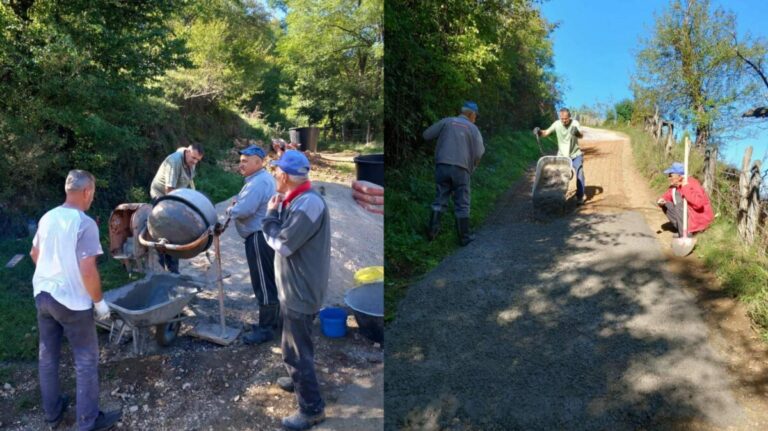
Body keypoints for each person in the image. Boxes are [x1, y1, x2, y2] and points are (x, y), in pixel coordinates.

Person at [30, 170, 122, 431]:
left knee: (47, 356)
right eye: (92, 194)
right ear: (87, 192)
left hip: (43, 295)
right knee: (85, 360)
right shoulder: (84, 223)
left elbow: (34, 253)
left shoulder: (47, 217)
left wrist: (54, 272)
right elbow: (88, 270)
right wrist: (99, 302)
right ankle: (88, 422)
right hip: (71, 303)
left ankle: (53, 413)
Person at [262, 150, 330, 430]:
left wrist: (269, 216)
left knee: (296, 351)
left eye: (276, 170)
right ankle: (297, 378)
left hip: (300, 291)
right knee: (297, 341)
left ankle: (311, 409)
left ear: (286, 176)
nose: (274, 174)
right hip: (295, 287)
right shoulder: (297, 199)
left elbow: (283, 244)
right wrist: (278, 211)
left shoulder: (308, 205)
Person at [227, 145, 280, 345]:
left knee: (263, 284)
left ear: (258, 162)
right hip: (263, 235)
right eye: (240, 160)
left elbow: (244, 210)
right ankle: (272, 323)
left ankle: (266, 329)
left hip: (259, 237)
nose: (241, 164)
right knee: (268, 280)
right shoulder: (258, 180)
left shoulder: (259, 182)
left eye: (245, 161)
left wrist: (231, 210)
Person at [422, 101, 485, 246]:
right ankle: (464, 237)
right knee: (462, 202)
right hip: (462, 169)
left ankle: (432, 233)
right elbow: (479, 153)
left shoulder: (447, 121)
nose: (476, 118)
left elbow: (426, 135)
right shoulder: (473, 129)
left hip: (442, 166)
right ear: (472, 114)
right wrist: (473, 166)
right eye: (476, 116)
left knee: (440, 198)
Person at [149, 143, 204, 273]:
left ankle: (173, 268)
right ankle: (160, 267)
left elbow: (189, 184)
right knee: (163, 228)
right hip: (161, 195)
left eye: (198, 160)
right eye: (194, 158)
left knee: (175, 231)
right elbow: (169, 189)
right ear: (188, 151)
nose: (195, 162)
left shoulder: (191, 163)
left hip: (176, 195)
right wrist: (174, 210)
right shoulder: (174, 161)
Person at [535, 108, 587, 204]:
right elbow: (546, 132)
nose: (564, 121)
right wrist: (538, 132)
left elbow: (581, 135)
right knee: (558, 176)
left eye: (566, 119)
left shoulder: (575, 123)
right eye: (562, 119)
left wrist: (576, 132)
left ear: (569, 117)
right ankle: (556, 197)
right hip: (562, 156)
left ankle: (580, 196)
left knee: (579, 173)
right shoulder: (557, 124)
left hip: (575, 154)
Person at [656, 162, 714, 237]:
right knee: (666, 204)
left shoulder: (692, 183)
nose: (669, 178)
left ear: (679, 176)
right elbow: (666, 196)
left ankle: (686, 233)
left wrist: (685, 187)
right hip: (688, 217)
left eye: (671, 175)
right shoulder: (674, 187)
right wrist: (660, 200)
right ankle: (682, 229)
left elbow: (699, 204)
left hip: (699, 220)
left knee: (679, 206)